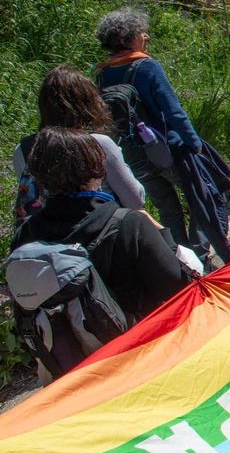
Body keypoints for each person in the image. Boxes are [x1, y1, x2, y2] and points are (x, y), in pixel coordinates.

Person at [10, 128, 194, 379]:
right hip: (145, 362)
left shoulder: (25, 237)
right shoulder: (128, 224)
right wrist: (164, 235)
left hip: (80, 377)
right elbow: (180, 290)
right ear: (95, 167)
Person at [97, 8, 230, 265]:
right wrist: (194, 143)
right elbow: (172, 109)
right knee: (206, 197)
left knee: (168, 209)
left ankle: (185, 261)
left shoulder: (103, 74)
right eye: (141, 32)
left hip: (135, 156)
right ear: (129, 38)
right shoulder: (147, 66)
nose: (146, 36)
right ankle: (201, 252)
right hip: (170, 149)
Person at [13, 67, 147, 224]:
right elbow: (135, 200)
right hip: (96, 235)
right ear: (88, 103)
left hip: (46, 239)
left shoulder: (23, 149)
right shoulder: (98, 143)